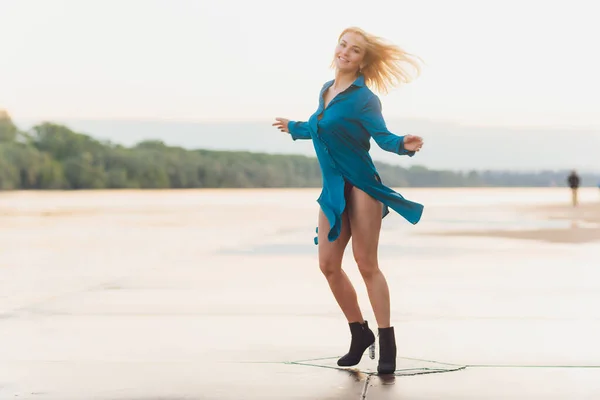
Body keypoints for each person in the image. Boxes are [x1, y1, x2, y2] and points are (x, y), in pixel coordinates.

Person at [272, 27, 424, 375]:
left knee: (366, 264)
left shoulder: (364, 99)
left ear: (363, 62)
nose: (345, 53)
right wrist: (295, 126)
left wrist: (404, 144)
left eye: (355, 51)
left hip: (361, 187)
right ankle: (360, 333)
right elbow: (323, 127)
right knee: (328, 264)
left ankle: (388, 343)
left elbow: (383, 137)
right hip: (332, 189)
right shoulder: (327, 91)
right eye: (343, 45)